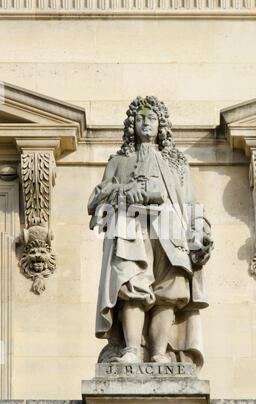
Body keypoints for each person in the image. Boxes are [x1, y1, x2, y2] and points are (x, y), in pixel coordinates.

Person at [88, 96, 213, 369]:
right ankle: (132, 349)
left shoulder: (177, 163)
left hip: (171, 229)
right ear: (132, 125)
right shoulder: (120, 162)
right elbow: (96, 202)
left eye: (152, 118)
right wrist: (124, 191)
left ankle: (158, 352)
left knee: (170, 290)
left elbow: (191, 203)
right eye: (141, 118)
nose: (146, 123)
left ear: (161, 125)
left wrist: (201, 230)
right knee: (131, 284)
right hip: (131, 226)